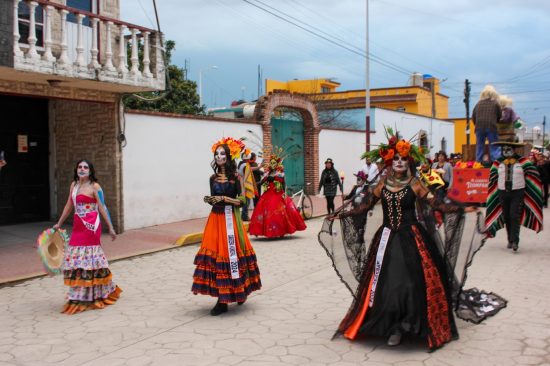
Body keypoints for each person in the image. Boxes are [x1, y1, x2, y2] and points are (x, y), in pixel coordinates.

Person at [327, 132, 478, 350]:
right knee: (387, 284)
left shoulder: (415, 184)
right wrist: (341, 215)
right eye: (395, 159)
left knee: (411, 283)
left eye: (403, 159)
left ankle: (409, 325)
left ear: (408, 161)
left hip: (412, 237)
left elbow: (437, 204)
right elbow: (364, 206)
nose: (399, 162)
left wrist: (462, 207)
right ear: (390, 162)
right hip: (387, 238)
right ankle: (391, 325)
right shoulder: (382, 184)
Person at [192, 137, 261, 315]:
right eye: (216, 154)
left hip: (231, 220)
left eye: (222, 153)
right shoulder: (212, 178)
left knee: (231, 255)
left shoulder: (236, 177)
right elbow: (212, 197)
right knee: (216, 256)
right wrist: (210, 200)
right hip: (215, 220)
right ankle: (221, 299)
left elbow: (243, 200)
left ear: (229, 156)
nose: (219, 156)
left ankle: (238, 292)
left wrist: (224, 199)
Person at [53, 159, 120, 315]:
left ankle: (90, 295)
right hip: (78, 226)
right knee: (76, 258)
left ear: (90, 171)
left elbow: (102, 207)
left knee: (89, 259)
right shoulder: (74, 186)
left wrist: (110, 227)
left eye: (85, 167)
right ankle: (80, 293)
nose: (82, 169)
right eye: (80, 167)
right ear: (76, 169)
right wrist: (59, 223)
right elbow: (69, 205)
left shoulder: (94, 186)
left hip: (91, 226)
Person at [485, 141, 543, 252]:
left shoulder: (523, 162)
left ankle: (515, 241)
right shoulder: (497, 163)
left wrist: (531, 188)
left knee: (514, 215)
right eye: (504, 149)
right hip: (502, 193)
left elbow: (533, 175)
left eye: (509, 148)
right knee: (506, 216)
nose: (506, 151)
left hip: (518, 193)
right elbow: (492, 179)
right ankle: (510, 239)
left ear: (513, 149)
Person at [249, 152, 306, 237]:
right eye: (271, 163)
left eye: (274, 163)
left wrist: (284, 193)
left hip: (278, 193)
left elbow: (284, 184)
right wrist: (252, 184)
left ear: (277, 164)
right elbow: (261, 182)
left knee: (279, 212)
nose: (272, 165)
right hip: (268, 193)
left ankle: (281, 231)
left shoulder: (280, 173)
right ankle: (260, 230)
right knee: (263, 210)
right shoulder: (267, 173)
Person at [472, 85, 502, 162]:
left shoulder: (478, 103)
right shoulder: (495, 103)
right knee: (493, 145)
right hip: (491, 126)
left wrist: (477, 124)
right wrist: (496, 122)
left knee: (480, 146)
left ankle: (478, 162)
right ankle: (495, 162)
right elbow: (499, 115)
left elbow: (473, 116)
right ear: (493, 94)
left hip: (479, 127)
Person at [342, 171, 370, 245]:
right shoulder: (355, 188)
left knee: (361, 223)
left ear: (363, 180)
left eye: (359, 179)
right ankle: (358, 235)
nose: (357, 181)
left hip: (362, 209)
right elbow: (350, 196)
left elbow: (369, 199)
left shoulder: (367, 188)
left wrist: (369, 209)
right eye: (357, 179)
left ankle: (360, 237)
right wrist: (345, 197)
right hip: (354, 208)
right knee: (355, 222)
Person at [237, 150, 258, 221]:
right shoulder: (245, 165)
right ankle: (244, 216)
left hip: (242, 184)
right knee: (246, 202)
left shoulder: (242, 164)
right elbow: (248, 173)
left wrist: (259, 166)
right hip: (245, 186)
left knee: (246, 202)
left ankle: (244, 216)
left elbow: (250, 169)